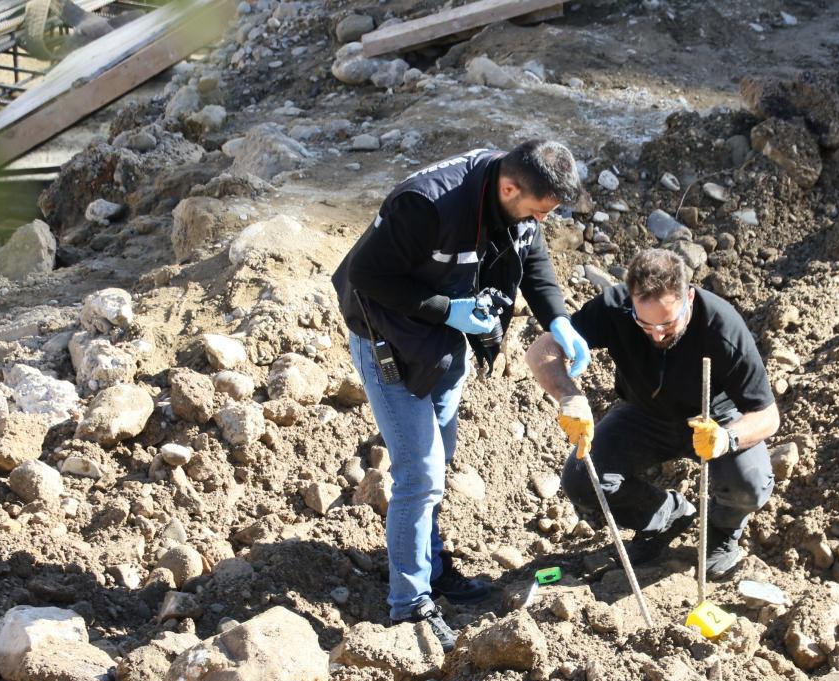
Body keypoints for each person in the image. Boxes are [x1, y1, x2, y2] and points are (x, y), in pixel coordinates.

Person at [332, 140, 591, 649]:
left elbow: (532, 253)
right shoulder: (427, 203)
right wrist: (446, 308)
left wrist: (558, 319)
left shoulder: (515, 198)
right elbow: (365, 275)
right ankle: (409, 607)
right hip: (386, 338)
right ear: (509, 188)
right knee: (421, 473)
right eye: (538, 210)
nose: (540, 220)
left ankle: (430, 565)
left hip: (444, 342)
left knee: (439, 458)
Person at [527, 248, 779, 579]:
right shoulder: (614, 307)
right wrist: (568, 396)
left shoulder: (722, 326)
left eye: (668, 323)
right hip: (644, 415)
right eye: (645, 324)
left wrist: (727, 439)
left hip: (714, 420)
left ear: (688, 297)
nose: (657, 334)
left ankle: (721, 531)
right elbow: (542, 348)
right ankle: (666, 517)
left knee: (750, 484)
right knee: (581, 478)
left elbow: (768, 416)